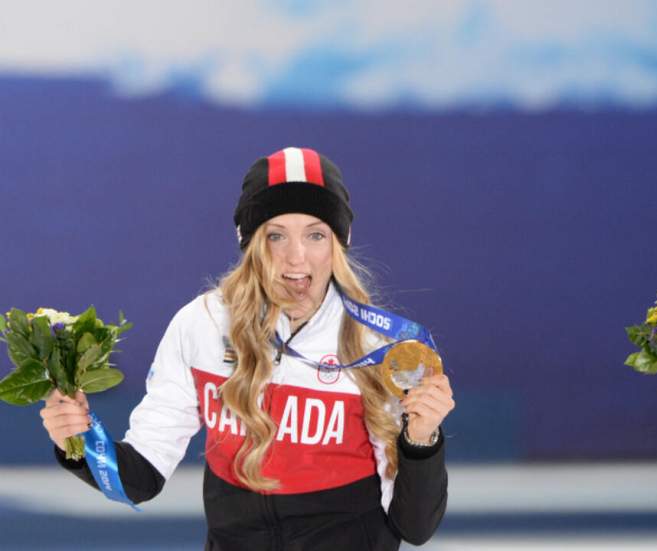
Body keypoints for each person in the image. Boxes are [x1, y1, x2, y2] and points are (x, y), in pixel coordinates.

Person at [39, 147, 455, 550]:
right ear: (250, 242)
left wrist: (422, 440)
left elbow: (414, 527)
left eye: (315, 234)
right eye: (276, 235)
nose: (296, 257)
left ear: (338, 243)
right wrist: (77, 440)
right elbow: (142, 476)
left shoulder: (379, 346)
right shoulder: (201, 325)